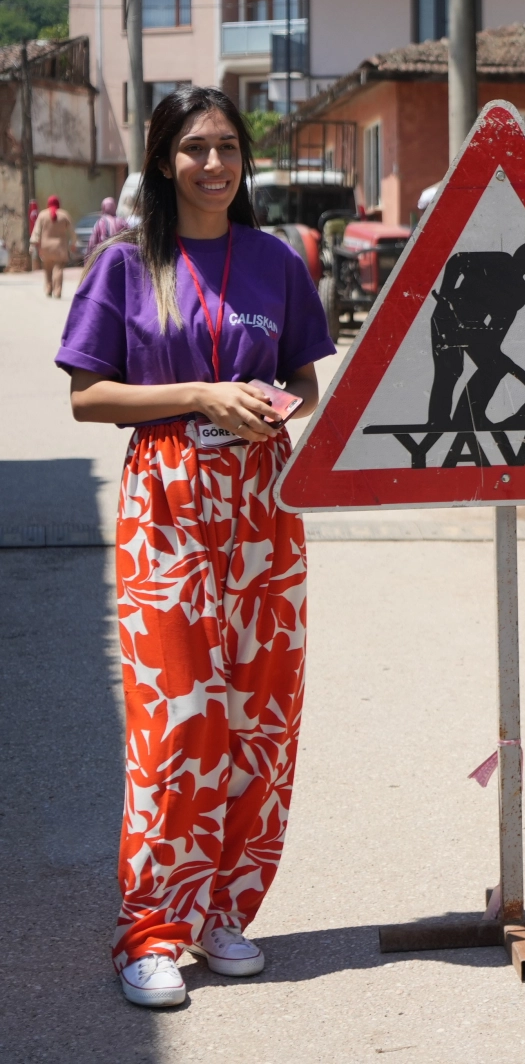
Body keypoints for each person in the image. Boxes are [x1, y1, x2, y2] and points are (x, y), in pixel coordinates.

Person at [54, 85, 335, 1006]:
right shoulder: (126, 264)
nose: (214, 165)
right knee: (176, 723)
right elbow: (87, 398)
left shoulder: (277, 261)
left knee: (258, 720)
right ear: (162, 159)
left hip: (263, 504)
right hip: (168, 502)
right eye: (194, 148)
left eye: (227, 147)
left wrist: (275, 407)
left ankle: (223, 908)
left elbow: (305, 375)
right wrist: (201, 396)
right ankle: (152, 930)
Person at [30, 194, 74, 297]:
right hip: (60, 247)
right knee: (58, 269)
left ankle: (49, 288)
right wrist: (74, 243)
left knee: (47, 269)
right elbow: (72, 232)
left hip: (46, 247)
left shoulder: (42, 215)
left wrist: (33, 244)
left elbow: (36, 231)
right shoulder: (64, 215)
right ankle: (58, 291)